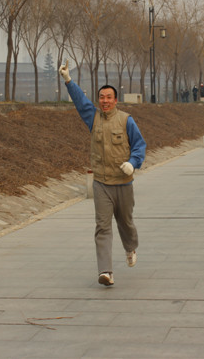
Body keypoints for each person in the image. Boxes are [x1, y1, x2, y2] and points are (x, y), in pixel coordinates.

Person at [59, 62, 146, 287]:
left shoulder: (126, 120)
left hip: (123, 183)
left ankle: (130, 248)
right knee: (103, 227)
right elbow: (81, 102)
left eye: (109, 97)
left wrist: (133, 163)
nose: (105, 101)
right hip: (101, 184)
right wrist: (68, 80)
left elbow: (140, 145)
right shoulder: (93, 118)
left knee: (126, 223)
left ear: (116, 100)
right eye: (102, 97)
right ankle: (106, 271)